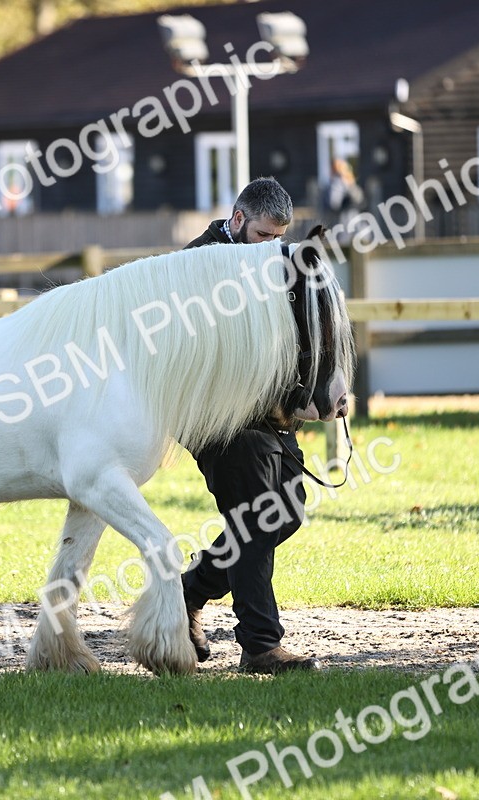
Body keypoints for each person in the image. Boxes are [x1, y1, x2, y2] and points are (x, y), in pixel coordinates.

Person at [180, 177, 321, 674]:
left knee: (288, 511)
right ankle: (260, 646)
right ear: (238, 220)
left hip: (264, 415)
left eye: (279, 239)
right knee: (259, 515)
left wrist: (305, 396)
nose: (272, 248)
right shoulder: (197, 264)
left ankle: (185, 595)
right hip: (216, 415)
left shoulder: (267, 262)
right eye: (263, 236)